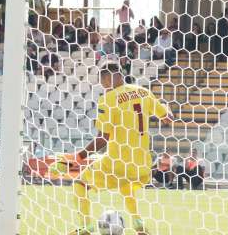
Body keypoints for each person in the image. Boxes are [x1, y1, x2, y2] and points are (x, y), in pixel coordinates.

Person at [50, 62, 173, 235]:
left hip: (116, 162)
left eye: (102, 81)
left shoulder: (108, 99)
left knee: (80, 183)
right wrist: (165, 105)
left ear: (107, 78)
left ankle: (86, 226)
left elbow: (102, 139)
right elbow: (168, 118)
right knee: (126, 186)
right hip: (143, 165)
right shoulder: (144, 92)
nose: (103, 85)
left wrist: (76, 158)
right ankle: (139, 225)